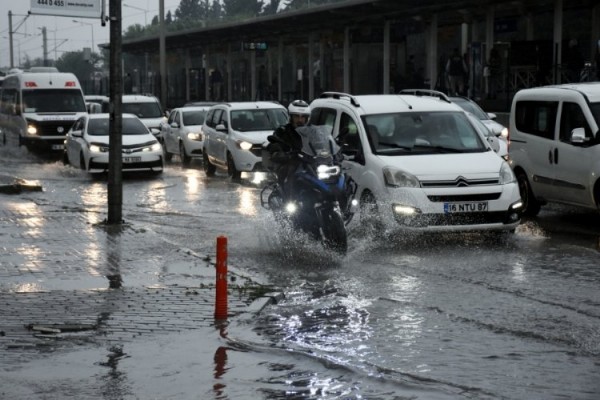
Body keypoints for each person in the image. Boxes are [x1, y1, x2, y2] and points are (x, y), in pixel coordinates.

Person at [266, 99, 311, 199]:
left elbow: (321, 143)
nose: (300, 120)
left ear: (307, 118)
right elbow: (274, 144)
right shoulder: (282, 131)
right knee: (291, 172)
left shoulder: (311, 132)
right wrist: (279, 152)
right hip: (289, 163)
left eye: (303, 117)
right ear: (291, 117)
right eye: (296, 116)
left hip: (309, 163)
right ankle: (289, 202)